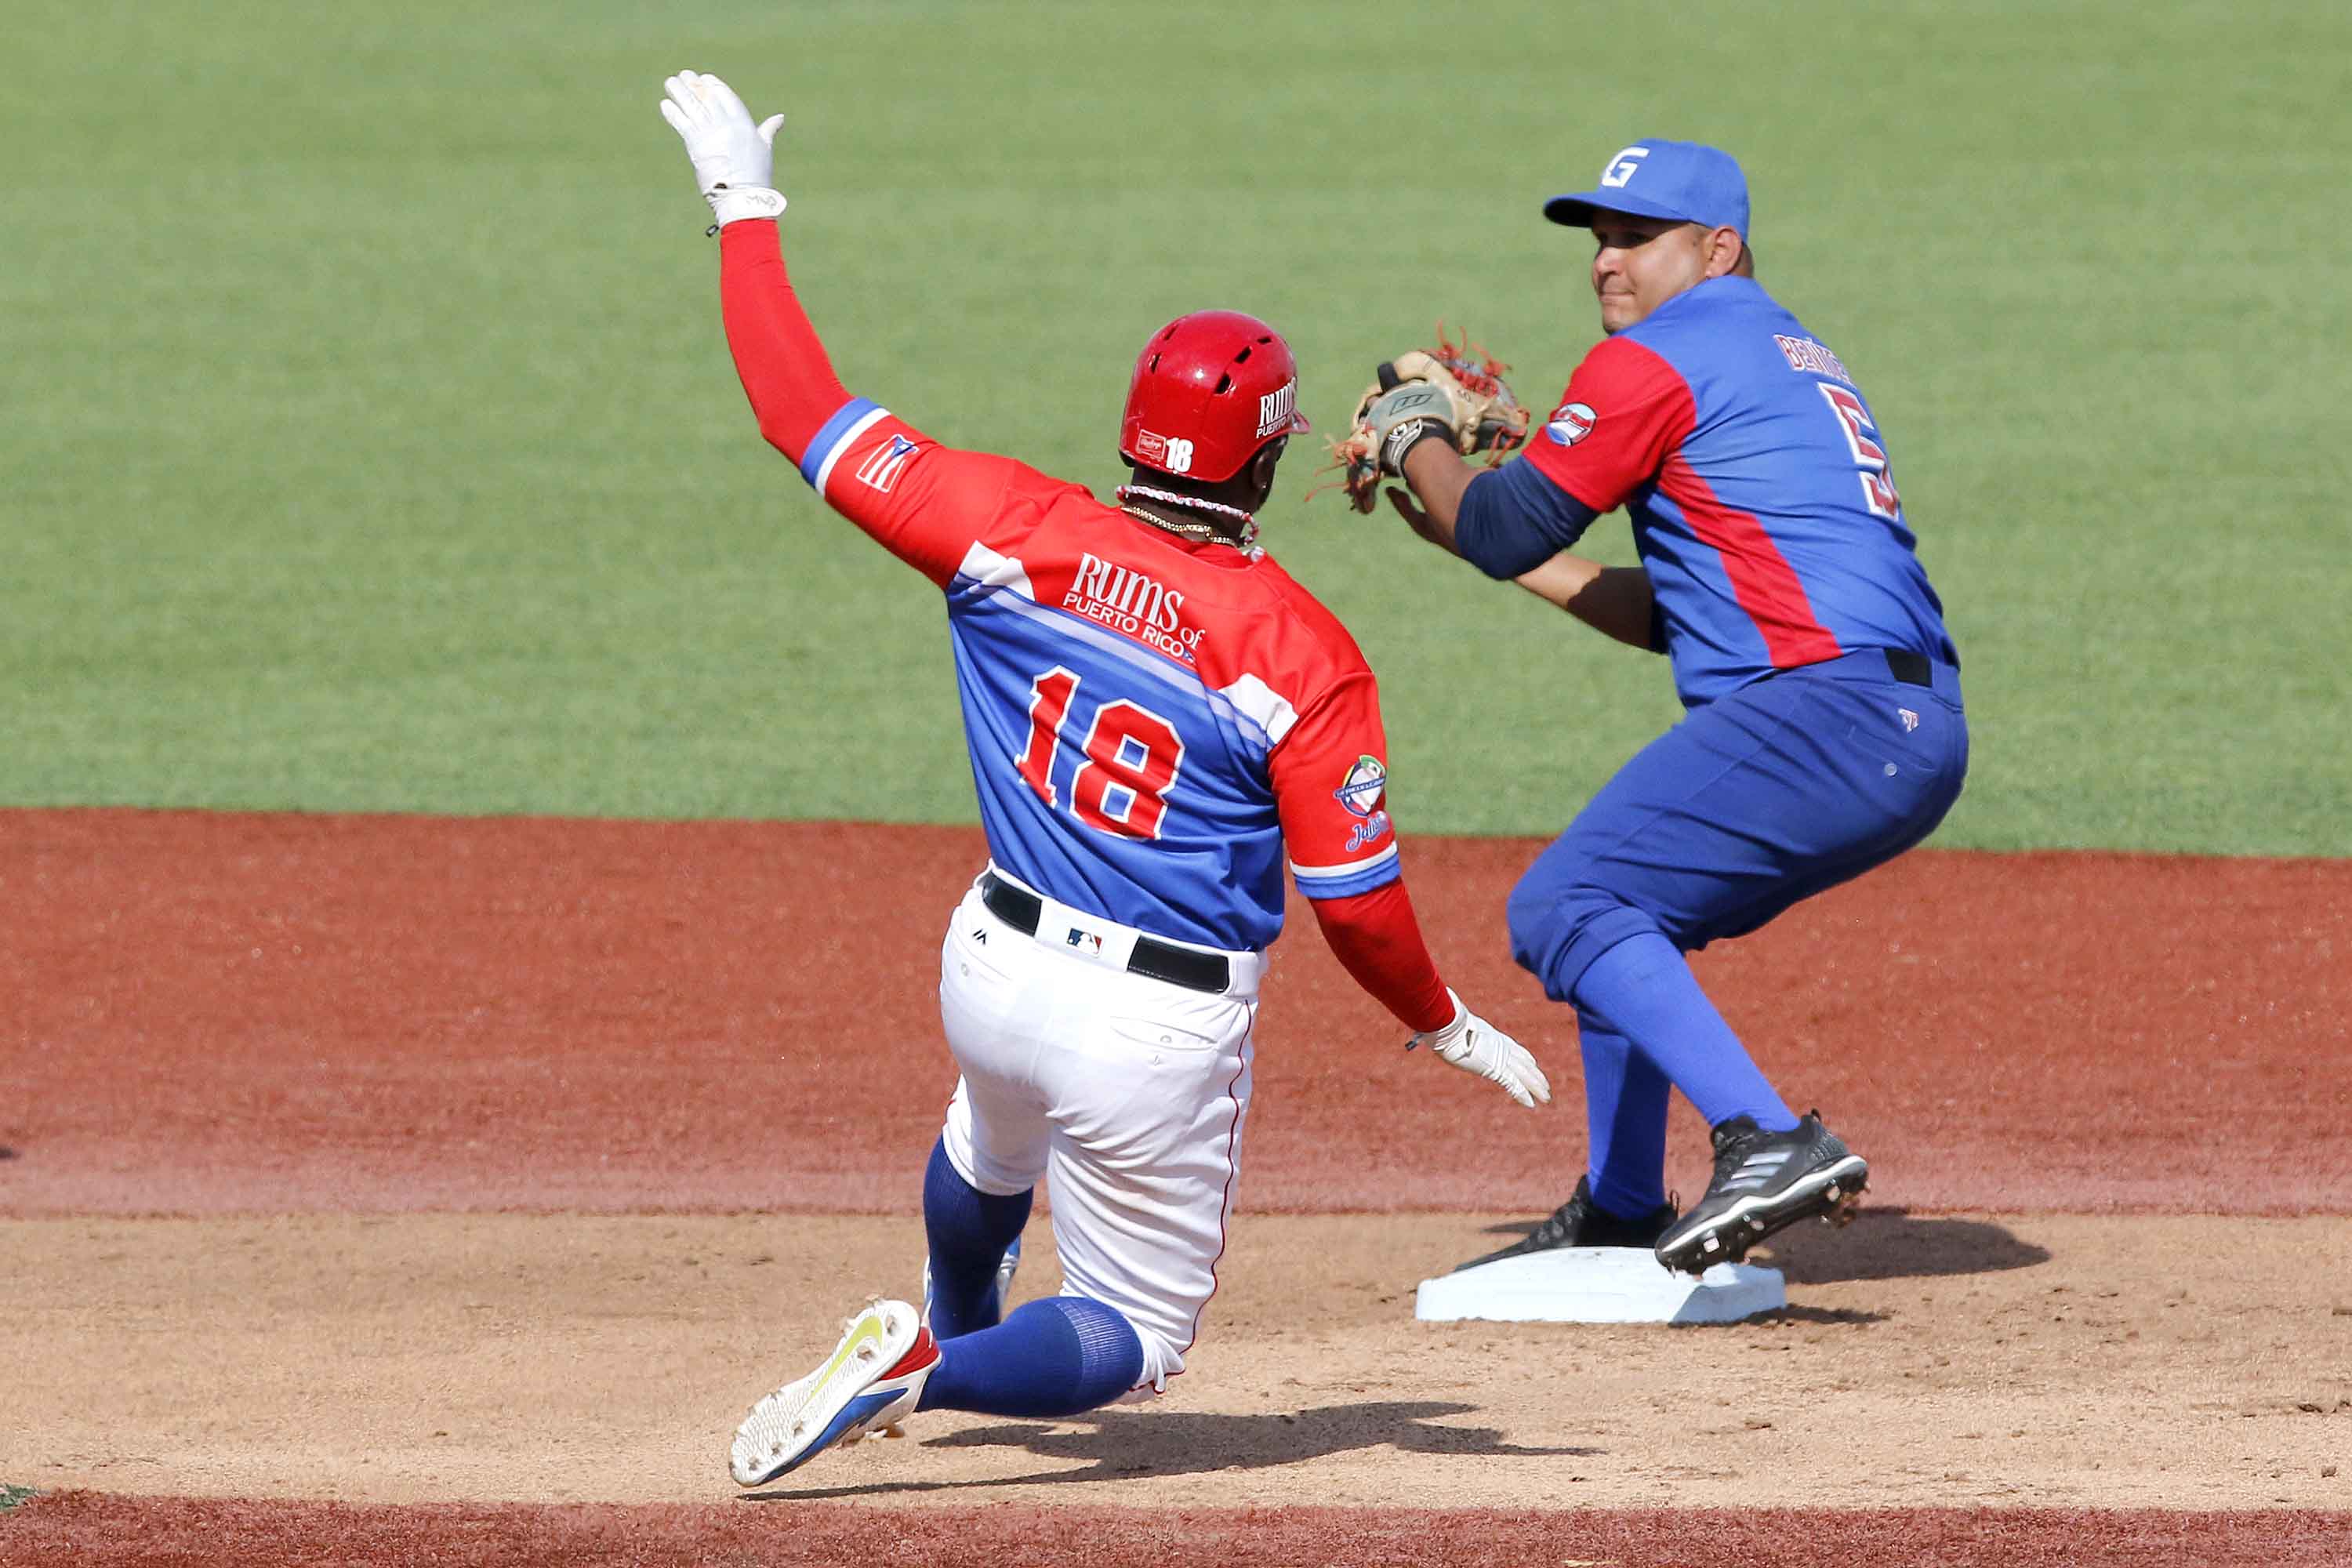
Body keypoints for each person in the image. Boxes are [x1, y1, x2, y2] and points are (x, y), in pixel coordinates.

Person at [658, 71, 1551, 1487]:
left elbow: (796, 408)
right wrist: (1438, 1021)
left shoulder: (1003, 524)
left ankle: (940, 1344)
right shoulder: (1303, 653)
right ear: (1270, 462)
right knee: (1138, 1332)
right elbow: (1357, 907)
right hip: (1151, 1031)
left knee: (988, 1143)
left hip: (990, 971)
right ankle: (930, 1372)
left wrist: (742, 203)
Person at [1354, 138, 1967, 1277]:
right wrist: (1478, 531)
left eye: (1638, 237)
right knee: (1624, 912)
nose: (1606, 261)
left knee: (1567, 906)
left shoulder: (1662, 357)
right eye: (1599, 239)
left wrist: (1417, 437)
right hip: (1898, 721)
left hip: (1827, 712)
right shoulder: (1783, 352)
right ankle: (1626, 1203)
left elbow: (1503, 523)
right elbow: (1669, 610)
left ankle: (1769, 1140)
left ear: (1718, 247)